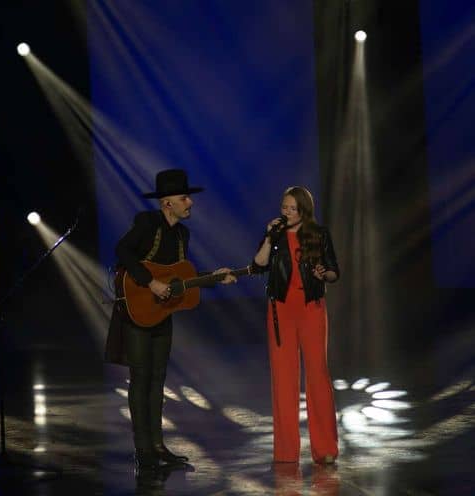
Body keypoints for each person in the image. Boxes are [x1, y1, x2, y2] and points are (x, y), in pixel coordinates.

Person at [105, 169, 235, 475]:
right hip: (138, 312)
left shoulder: (182, 235)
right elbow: (122, 251)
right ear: (167, 203)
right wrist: (149, 283)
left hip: (161, 314)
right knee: (141, 378)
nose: (189, 202)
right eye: (183, 198)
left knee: (158, 378)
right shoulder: (147, 223)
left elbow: (181, 278)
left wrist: (215, 278)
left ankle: (158, 445)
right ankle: (143, 449)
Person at [251, 186, 339, 465]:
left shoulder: (319, 234)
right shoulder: (275, 236)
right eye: (284, 207)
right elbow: (258, 264)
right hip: (280, 311)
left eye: (292, 208)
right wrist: (268, 236)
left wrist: (325, 273)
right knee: (283, 378)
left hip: (311, 309)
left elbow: (334, 270)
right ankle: (287, 451)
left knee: (318, 375)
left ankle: (325, 448)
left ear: (304, 210)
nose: (286, 212)